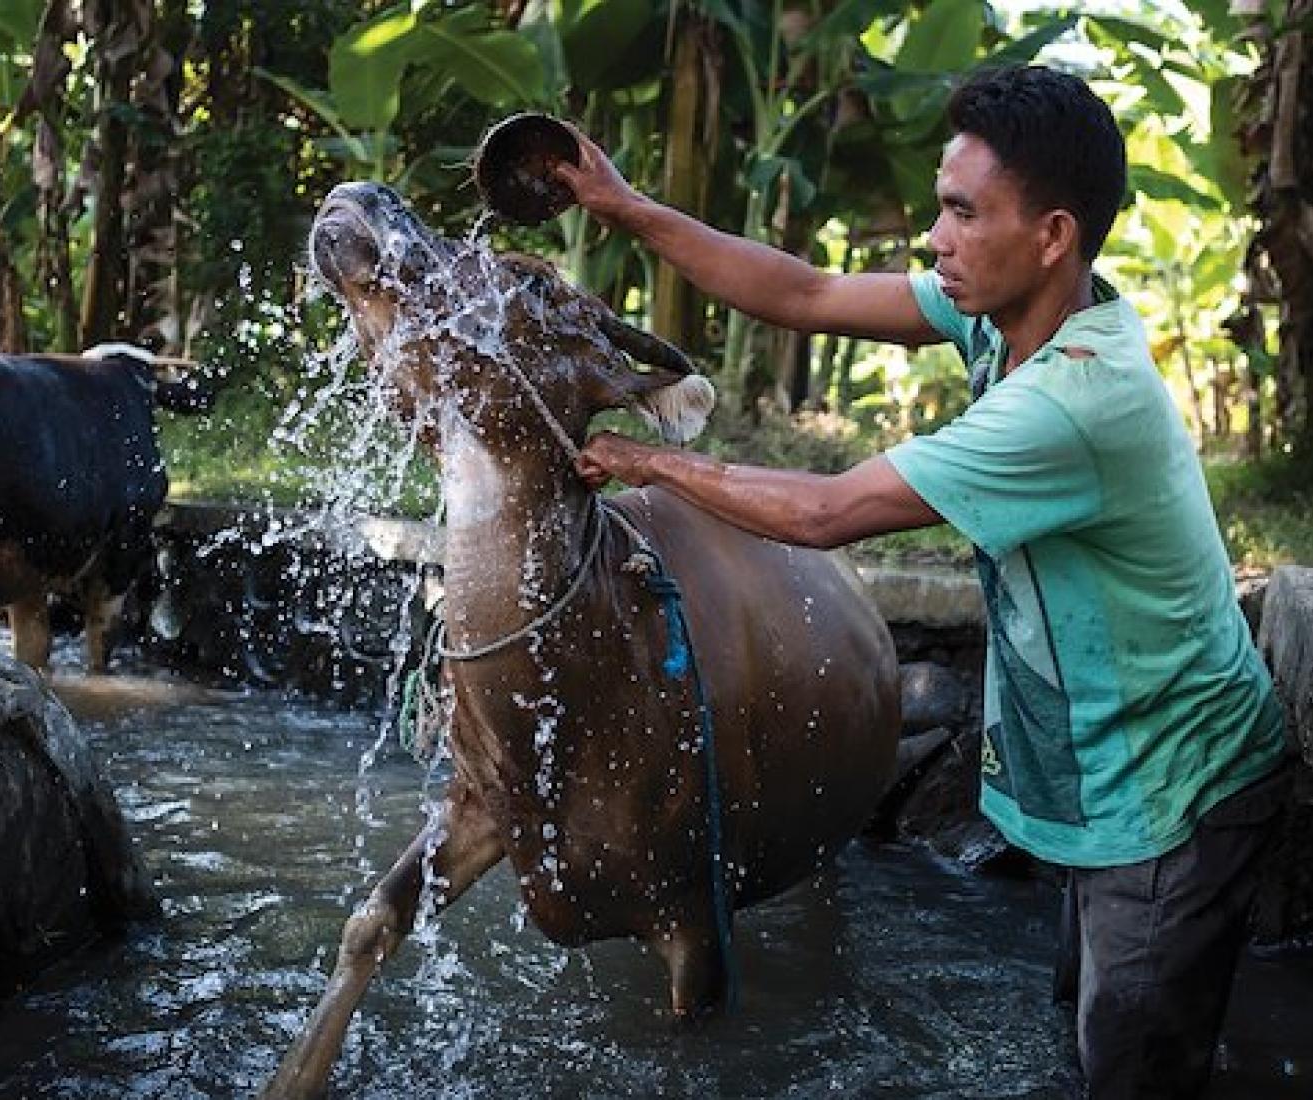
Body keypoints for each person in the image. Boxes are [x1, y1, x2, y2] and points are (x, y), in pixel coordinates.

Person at [553, 65, 1291, 1099]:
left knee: (1130, 1064)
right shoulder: (1012, 318)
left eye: (959, 211)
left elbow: (827, 512)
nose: (934, 238)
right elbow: (803, 292)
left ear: (1052, 235)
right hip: (1121, 773)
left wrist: (653, 461)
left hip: (1178, 791)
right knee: (1101, 1033)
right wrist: (625, 206)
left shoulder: (1071, 402)